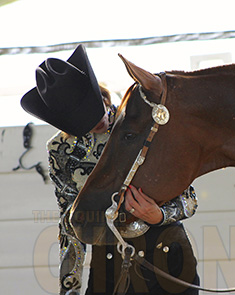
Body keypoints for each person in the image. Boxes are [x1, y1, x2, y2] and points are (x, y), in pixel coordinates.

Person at [21, 44, 199, 295]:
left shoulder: (144, 122)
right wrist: (70, 286)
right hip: (109, 261)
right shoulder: (61, 149)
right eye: (88, 125)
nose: (101, 124)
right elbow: (69, 220)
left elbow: (190, 198)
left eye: (100, 115)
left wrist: (159, 215)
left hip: (168, 254)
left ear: (100, 96)